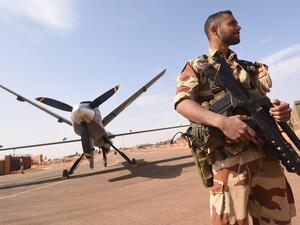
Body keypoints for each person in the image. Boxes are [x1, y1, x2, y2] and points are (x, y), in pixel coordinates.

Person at [174, 10, 296, 225]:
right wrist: (222, 122)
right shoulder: (197, 66)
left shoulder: (250, 68)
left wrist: (279, 110)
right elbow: (182, 103)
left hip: (266, 158)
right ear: (214, 30)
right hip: (229, 164)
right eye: (233, 24)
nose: (239, 27)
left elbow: (261, 107)